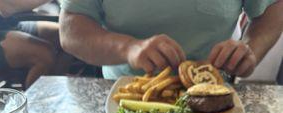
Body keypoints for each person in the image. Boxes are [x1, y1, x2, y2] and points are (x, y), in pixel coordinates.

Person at [59, 0, 283, 80]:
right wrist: (129, 48)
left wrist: (250, 49)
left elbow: (273, 8)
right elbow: (70, 28)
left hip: (213, 94)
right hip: (124, 95)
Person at [0, 0, 68, 87]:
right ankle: (35, 99)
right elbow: (6, 8)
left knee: (66, 36)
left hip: (6, 23)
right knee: (44, 54)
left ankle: (53, 89)